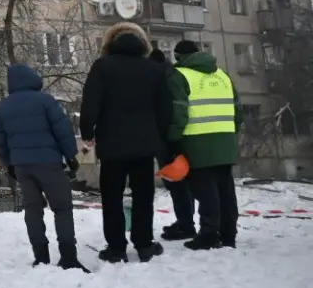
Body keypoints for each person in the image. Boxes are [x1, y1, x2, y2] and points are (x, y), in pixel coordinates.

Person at [79, 23, 172, 263]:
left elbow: (90, 102)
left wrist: (87, 130)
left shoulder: (102, 67)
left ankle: (116, 248)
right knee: (143, 196)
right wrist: (159, 137)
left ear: (109, 44)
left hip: (112, 145)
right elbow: (165, 109)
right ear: (143, 45)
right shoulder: (154, 69)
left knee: (112, 197)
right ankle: (143, 244)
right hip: (144, 145)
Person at [0, 64, 87, 272]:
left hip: (22, 167)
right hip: (49, 163)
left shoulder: (3, 107)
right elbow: (62, 130)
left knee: (33, 210)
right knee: (62, 208)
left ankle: (41, 258)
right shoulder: (45, 101)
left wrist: (9, 163)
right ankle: (69, 258)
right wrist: (70, 155)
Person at [166, 40, 242, 250]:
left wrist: (173, 139)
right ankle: (228, 235)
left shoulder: (179, 76)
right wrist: (230, 135)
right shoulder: (222, 75)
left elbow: (179, 112)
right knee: (226, 191)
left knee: (206, 192)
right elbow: (238, 110)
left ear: (178, 56)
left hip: (197, 143)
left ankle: (209, 234)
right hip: (225, 141)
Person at [150, 48, 197, 241]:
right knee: (180, 182)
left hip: (170, 138)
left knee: (177, 182)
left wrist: (171, 136)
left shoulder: (165, 78)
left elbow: (176, 107)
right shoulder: (169, 75)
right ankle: (185, 221)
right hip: (176, 136)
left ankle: (186, 224)